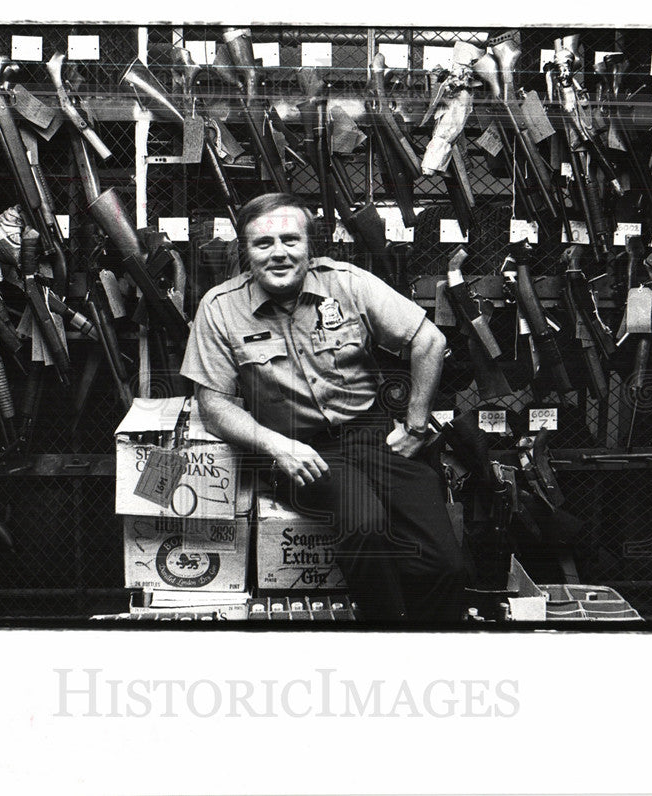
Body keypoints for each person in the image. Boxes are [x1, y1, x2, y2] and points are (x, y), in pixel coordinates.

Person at [180, 193, 471, 623]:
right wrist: (277, 447)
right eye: (263, 244)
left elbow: (429, 340)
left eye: (290, 240)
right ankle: (384, 640)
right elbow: (214, 403)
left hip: (375, 435)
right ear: (245, 250)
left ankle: (434, 648)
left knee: (445, 561)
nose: (278, 253)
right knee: (365, 523)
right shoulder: (220, 309)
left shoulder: (346, 282)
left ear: (308, 246)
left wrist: (414, 422)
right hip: (299, 449)